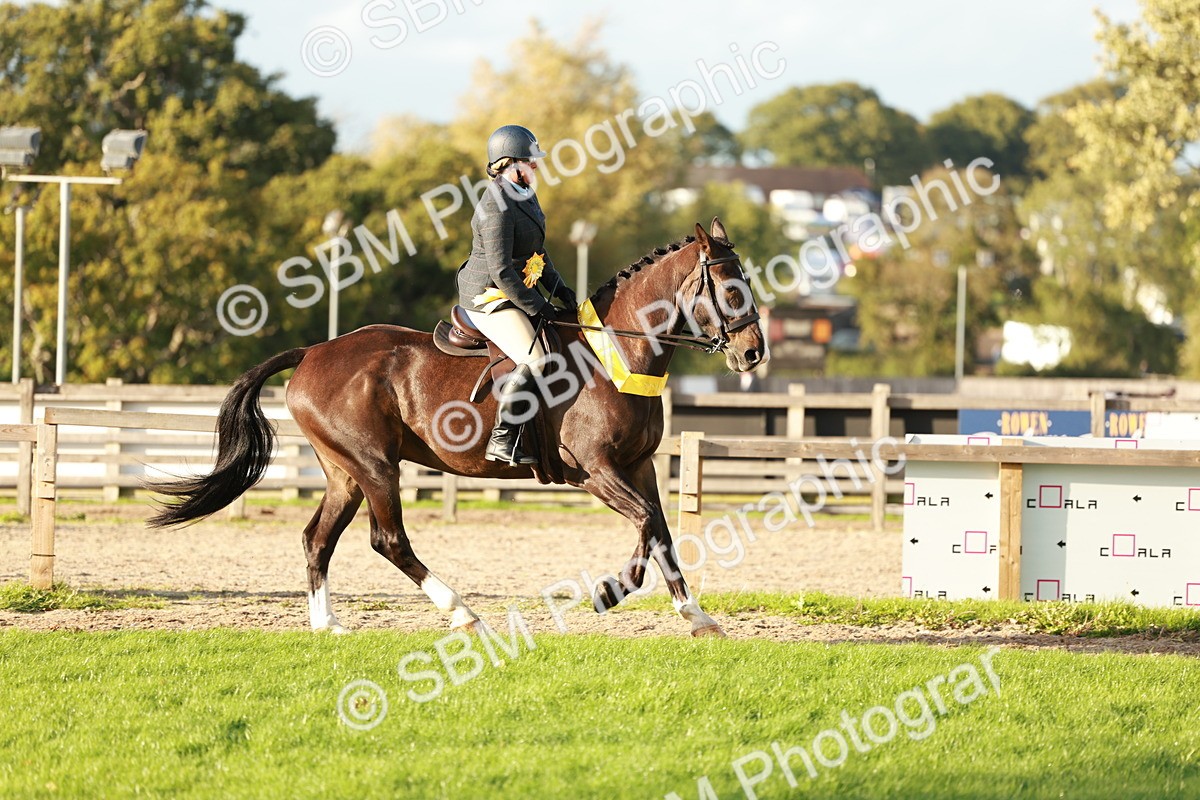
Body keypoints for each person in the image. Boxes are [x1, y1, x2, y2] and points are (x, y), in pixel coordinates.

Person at [456, 124, 578, 465]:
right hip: (488, 295)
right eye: (529, 160)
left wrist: (559, 288)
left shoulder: (524, 193)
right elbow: (501, 271)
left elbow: (536, 252)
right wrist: (538, 306)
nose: (536, 166)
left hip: (511, 288)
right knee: (537, 359)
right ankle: (502, 438)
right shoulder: (495, 206)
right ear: (508, 163)